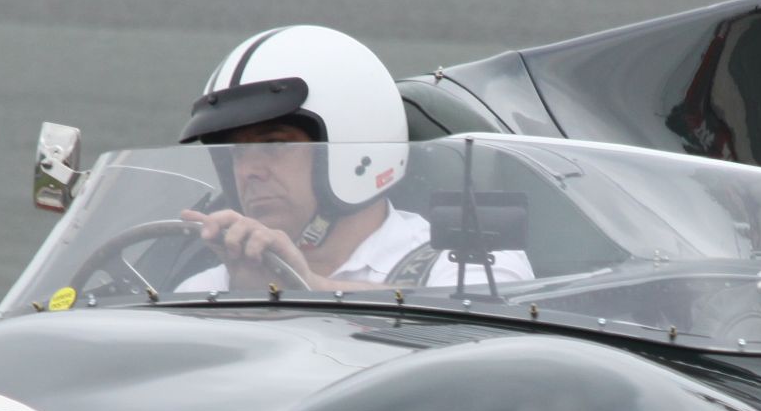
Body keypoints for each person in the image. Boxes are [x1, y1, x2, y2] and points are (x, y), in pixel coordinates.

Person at [174, 25, 532, 293]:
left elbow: (472, 333)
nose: (248, 171)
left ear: (356, 149)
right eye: (236, 152)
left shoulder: (467, 266)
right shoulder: (210, 289)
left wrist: (305, 288)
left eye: (276, 144)